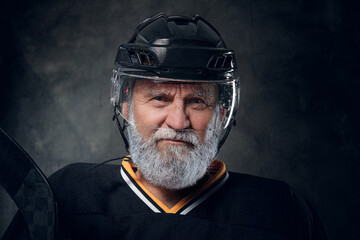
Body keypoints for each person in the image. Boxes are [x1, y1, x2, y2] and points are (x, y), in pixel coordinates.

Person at [3, 13, 327, 239]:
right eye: (159, 97)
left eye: (197, 102)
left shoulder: (282, 210)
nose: (177, 121)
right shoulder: (67, 195)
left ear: (221, 113)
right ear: (126, 108)